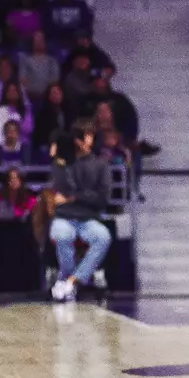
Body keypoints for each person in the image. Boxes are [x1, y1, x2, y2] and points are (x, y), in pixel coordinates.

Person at [48, 120, 112, 301]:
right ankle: (66, 281)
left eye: (90, 136)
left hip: (88, 218)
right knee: (62, 235)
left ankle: (70, 281)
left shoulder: (101, 165)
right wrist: (56, 161)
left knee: (103, 236)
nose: (87, 141)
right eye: (84, 137)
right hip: (64, 216)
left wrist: (74, 197)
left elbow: (102, 199)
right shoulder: (65, 163)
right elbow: (64, 187)